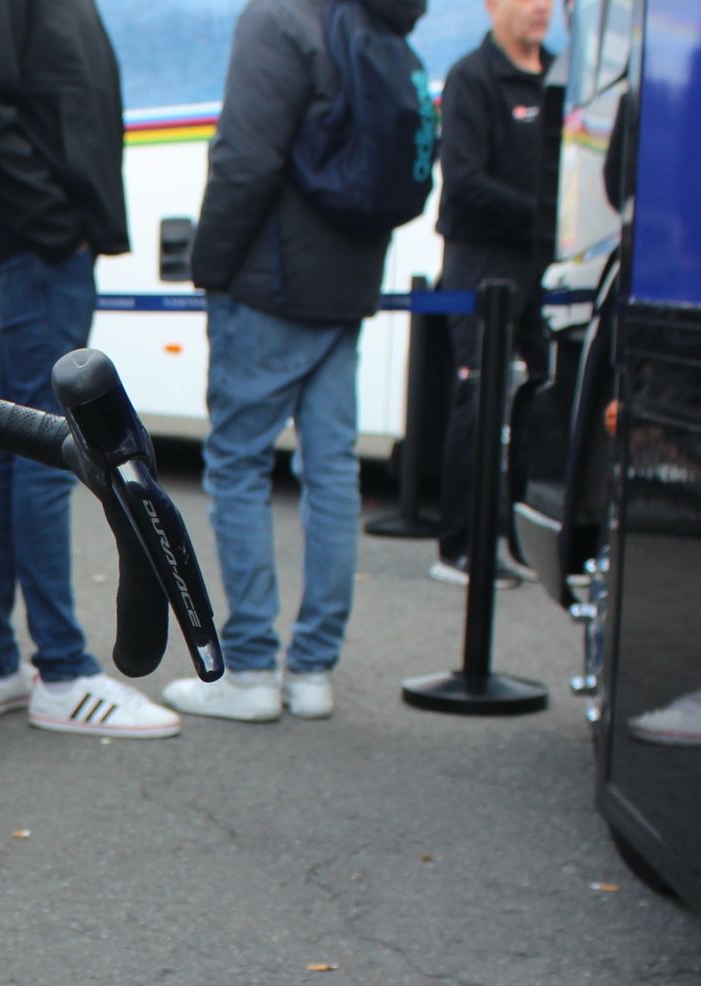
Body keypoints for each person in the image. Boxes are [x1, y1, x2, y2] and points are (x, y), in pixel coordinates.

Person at [164, 0, 428, 724]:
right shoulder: (374, 19)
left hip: (271, 282)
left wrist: (209, 265)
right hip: (348, 285)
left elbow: (245, 157)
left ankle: (251, 670)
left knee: (239, 465)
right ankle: (312, 671)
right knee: (333, 471)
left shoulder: (279, 18)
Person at [0, 0, 180, 740]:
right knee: (49, 453)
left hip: (45, 241)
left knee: (18, 445)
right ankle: (61, 670)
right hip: (40, 244)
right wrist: (54, 219)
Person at [432, 0, 556, 587]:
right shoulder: (470, 77)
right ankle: (459, 546)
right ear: (493, 5)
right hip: (481, 261)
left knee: (539, 397)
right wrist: (549, 216)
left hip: (545, 265)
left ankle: (522, 539)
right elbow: (466, 183)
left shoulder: (560, 77)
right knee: (478, 402)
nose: (542, 7)